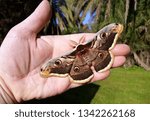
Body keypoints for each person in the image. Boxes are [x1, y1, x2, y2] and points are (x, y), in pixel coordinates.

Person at [0, 0, 130, 103]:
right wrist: (4, 86)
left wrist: (4, 87)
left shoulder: (73, 52)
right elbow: (54, 64)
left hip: (79, 60)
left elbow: (103, 35)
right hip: (95, 54)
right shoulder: (86, 46)